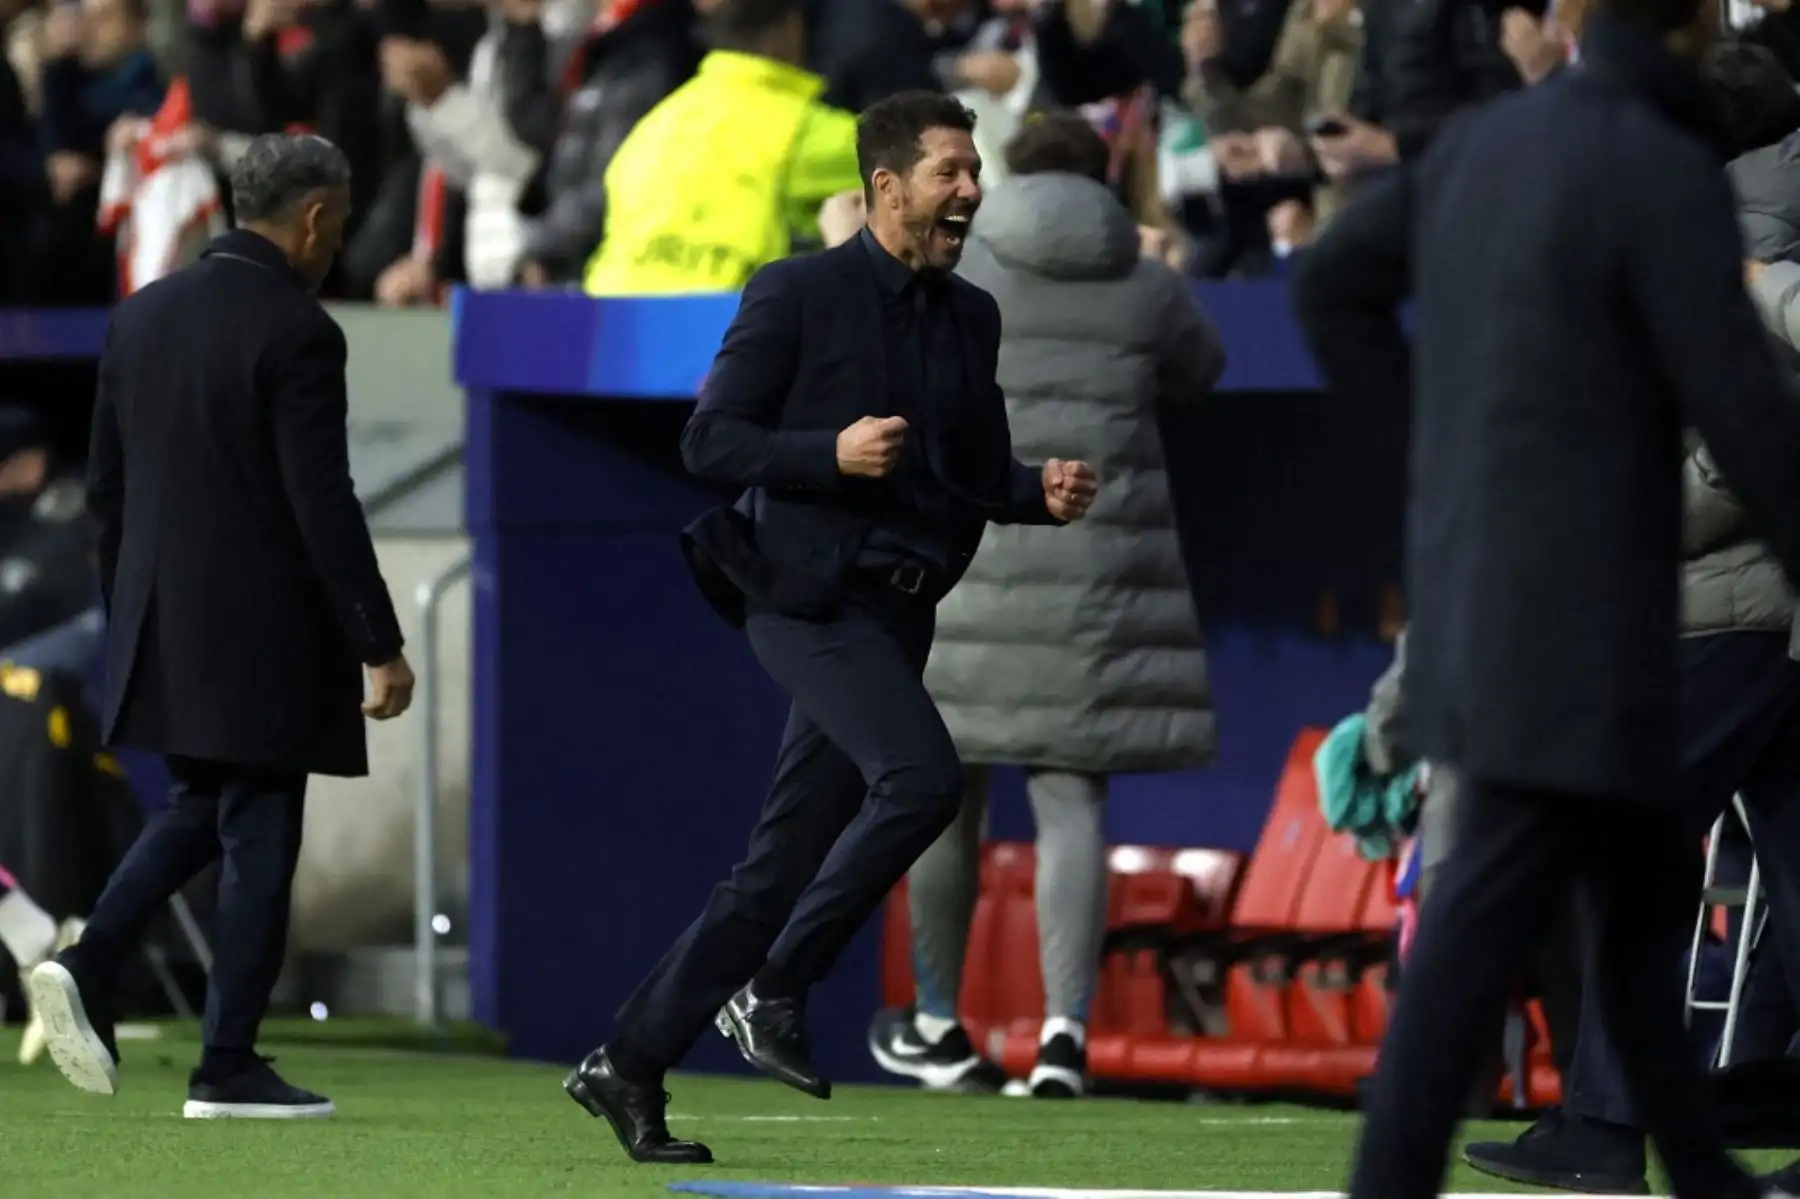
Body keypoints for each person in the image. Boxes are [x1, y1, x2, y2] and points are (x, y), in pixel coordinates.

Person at [561, 90, 1099, 1166]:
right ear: (884, 188)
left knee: (776, 867)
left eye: (974, 170)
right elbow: (711, 441)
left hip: (902, 611)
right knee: (925, 781)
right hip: (801, 598)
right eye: (950, 171)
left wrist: (1037, 489)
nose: (970, 191)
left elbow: (975, 470)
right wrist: (828, 453)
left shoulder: (970, 315)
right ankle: (775, 985)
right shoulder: (796, 291)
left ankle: (629, 1059)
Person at [1342, 0, 1800, 1193]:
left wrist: (1426, 439)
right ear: (1695, 37)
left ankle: (1655, 1153)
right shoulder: (1665, 175)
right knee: (1513, 913)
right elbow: (1745, 421)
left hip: (1515, 591)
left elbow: (1331, 283)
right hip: (1616, 613)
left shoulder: (1494, 147)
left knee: (1614, 900)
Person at [28, 132, 414, 1121]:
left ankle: (91, 958)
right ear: (317, 216)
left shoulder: (142, 315)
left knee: (204, 805)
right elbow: (320, 499)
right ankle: (225, 1063)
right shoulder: (297, 330)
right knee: (260, 831)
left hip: (161, 616)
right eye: (343, 218)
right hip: (265, 629)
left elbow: (107, 494)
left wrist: (129, 620)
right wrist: (375, 636)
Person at [870, 112, 1224, 1099]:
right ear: (1107, 175)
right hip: (1098, 584)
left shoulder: (959, 264)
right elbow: (1206, 369)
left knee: (947, 804)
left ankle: (939, 1021)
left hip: (969, 571)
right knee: (1073, 800)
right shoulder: (1146, 282)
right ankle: (1065, 1033)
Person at [579, 0, 862, 296]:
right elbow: (906, 164)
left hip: (620, 319)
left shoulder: (656, 123)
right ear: (791, 30)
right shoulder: (798, 130)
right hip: (720, 321)